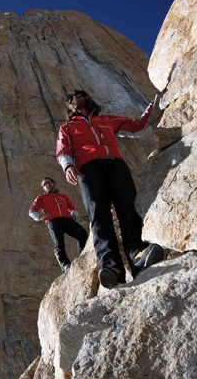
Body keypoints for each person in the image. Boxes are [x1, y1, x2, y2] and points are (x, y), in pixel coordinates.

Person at [56, 90, 164, 289]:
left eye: (79, 94)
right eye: (71, 98)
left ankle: (138, 255)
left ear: (88, 98)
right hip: (88, 169)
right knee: (98, 215)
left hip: (116, 164)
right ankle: (112, 267)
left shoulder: (107, 119)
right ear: (69, 107)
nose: (75, 98)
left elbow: (136, 126)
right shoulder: (67, 127)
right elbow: (62, 149)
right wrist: (68, 166)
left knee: (128, 208)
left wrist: (153, 104)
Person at [29, 177, 88, 273]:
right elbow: (31, 210)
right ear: (43, 188)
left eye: (49, 182)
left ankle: (82, 256)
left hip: (66, 219)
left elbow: (73, 208)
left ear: (53, 183)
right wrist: (40, 217)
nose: (47, 185)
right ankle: (65, 265)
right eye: (44, 184)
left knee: (82, 234)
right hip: (53, 221)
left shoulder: (62, 196)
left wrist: (73, 215)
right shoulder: (41, 198)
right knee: (59, 243)